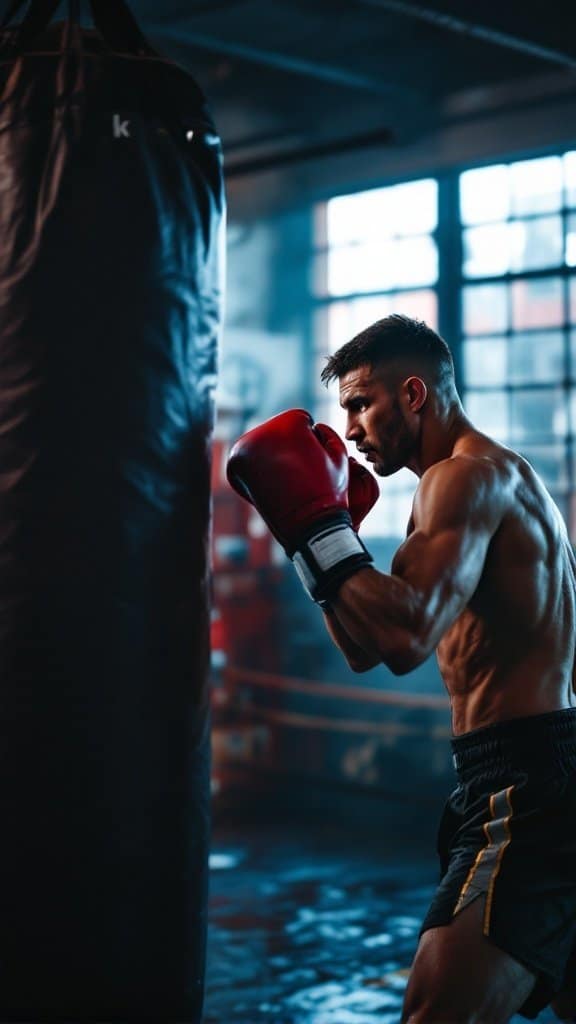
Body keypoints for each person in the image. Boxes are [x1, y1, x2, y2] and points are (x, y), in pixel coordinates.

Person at [226, 313, 576, 1024]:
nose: (349, 428)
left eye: (360, 403)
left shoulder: (465, 478)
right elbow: (367, 648)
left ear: (412, 393)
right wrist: (313, 541)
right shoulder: (468, 483)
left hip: (526, 787)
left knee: (432, 1014)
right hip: (535, 767)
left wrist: (321, 532)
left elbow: (408, 633)